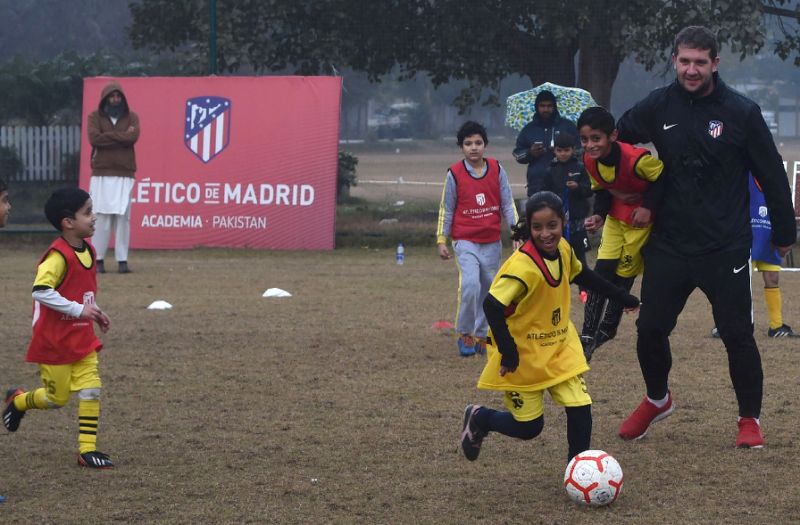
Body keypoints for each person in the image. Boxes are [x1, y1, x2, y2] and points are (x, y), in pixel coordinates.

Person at [615, 26, 796, 448]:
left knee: (737, 335)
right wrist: (619, 185)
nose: (691, 70)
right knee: (649, 330)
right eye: (684, 61)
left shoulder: (742, 112)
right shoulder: (658, 104)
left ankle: (748, 420)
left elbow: (771, 173)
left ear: (715, 63)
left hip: (725, 244)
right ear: (674, 60)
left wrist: (785, 233)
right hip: (670, 243)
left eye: (700, 62)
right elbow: (618, 141)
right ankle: (657, 399)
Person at [459, 192, 639, 463]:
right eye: (537, 227)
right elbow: (492, 306)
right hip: (524, 355)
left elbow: (584, 275)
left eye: (552, 225)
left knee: (580, 405)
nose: (546, 234)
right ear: (529, 227)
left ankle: (576, 470)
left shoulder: (564, 249)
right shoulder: (522, 267)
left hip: (559, 347)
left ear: (563, 222)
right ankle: (481, 417)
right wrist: (509, 353)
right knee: (529, 428)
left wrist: (622, 296)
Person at [2, 187, 114, 469]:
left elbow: (83, 294)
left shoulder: (88, 250)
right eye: (87, 212)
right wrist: (79, 310)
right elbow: (40, 291)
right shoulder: (57, 256)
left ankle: (87, 450)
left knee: (92, 388)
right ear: (68, 222)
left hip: (81, 337)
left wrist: (95, 313)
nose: (94, 217)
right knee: (57, 399)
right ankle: (18, 401)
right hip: (53, 342)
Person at [577, 107, 664, 362]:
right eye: (584, 140)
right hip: (615, 219)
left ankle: (608, 327)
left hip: (639, 223)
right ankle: (587, 334)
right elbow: (602, 190)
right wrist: (599, 216)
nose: (590, 145)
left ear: (613, 135)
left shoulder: (637, 159)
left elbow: (662, 180)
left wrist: (648, 207)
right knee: (600, 272)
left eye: (596, 138)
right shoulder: (589, 160)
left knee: (623, 276)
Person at [437, 121, 519, 356]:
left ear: (485, 145)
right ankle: (465, 333)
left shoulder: (497, 169)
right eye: (468, 144)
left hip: (491, 241)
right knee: (471, 284)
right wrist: (442, 239)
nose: (474, 148)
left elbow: (507, 203)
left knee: (490, 288)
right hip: (465, 240)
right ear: (461, 147)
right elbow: (447, 208)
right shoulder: (454, 173)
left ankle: (483, 335)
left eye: (478, 143)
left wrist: (516, 231)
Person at [712, 174, 799, 338]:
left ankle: (776, 326)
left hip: (769, 236)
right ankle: (727, 324)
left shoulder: (776, 179)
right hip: (746, 235)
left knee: (773, 277)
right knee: (740, 281)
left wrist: (785, 234)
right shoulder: (745, 173)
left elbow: (784, 206)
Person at [87, 80, 140, 274]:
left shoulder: (132, 117)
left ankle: (122, 261)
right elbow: (94, 139)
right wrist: (121, 136)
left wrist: (108, 136)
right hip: (101, 172)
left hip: (125, 173)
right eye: (112, 96)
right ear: (105, 99)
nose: (115, 100)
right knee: (101, 217)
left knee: (123, 218)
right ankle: (98, 260)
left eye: (118, 96)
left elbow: (133, 138)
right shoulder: (94, 117)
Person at [541, 132, 593, 302]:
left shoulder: (580, 167)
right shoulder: (550, 170)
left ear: (573, 150)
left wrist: (577, 187)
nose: (563, 153)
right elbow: (544, 194)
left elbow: (588, 190)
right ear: (554, 150)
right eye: (559, 150)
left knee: (580, 259)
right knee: (554, 257)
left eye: (566, 150)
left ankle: (584, 291)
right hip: (558, 223)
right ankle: (553, 290)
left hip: (577, 223)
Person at [513, 90, 580, 197]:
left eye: (549, 106)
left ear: (555, 107)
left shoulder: (568, 126)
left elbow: (580, 150)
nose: (546, 109)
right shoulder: (528, 129)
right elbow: (517, 155)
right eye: (542, 106)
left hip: (565, 185)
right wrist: (530, 153)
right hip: (537, 185)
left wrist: (563, 152)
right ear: (537, 107)